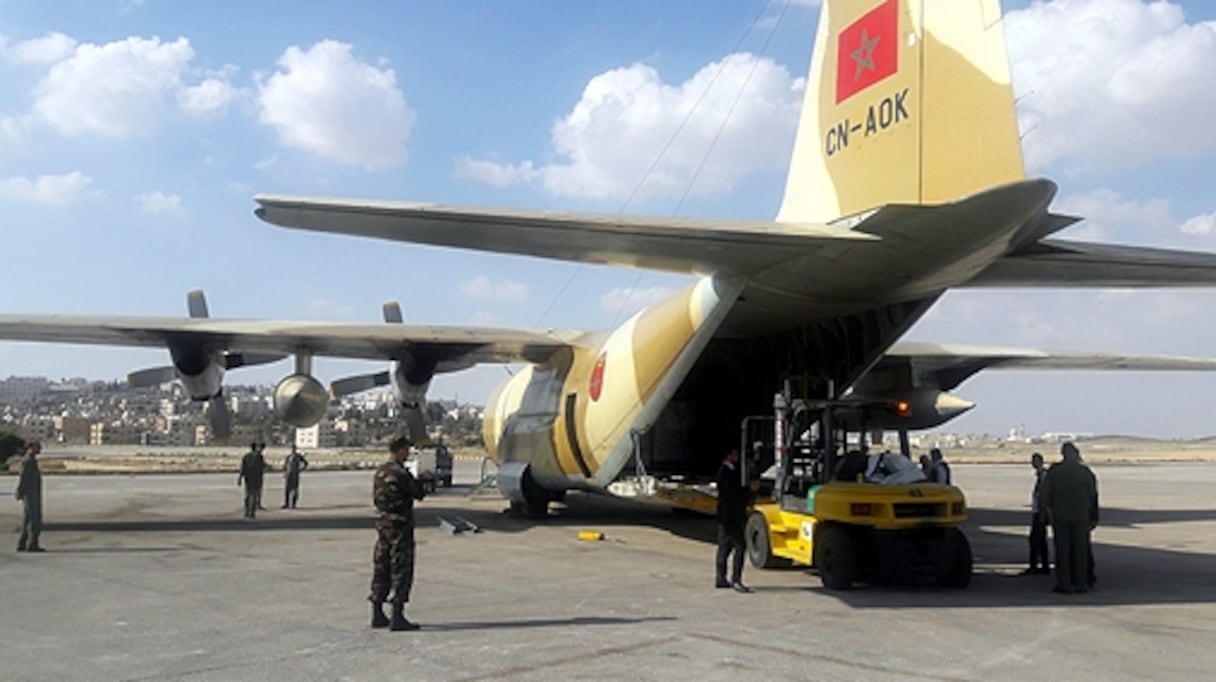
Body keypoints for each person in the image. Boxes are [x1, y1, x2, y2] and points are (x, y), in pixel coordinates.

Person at [369, 436, 427, 631]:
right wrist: (422, 481)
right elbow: (418, 493)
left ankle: (377, 612)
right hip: (400, 527)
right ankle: (397, 615)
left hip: (383, 525)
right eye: (407, 449)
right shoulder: (401, 474)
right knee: (401, 568)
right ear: (400, 450)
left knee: (381, 566)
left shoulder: (381, 472)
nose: (408, 453)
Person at [1041, 441, 1099, 594]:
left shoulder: (1055, 471)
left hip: (1061, 516)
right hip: (1081, 515)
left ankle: (1065, 584)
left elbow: (1045, 494)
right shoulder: (1085, 472)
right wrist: (1094, 517)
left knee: (1062, 551)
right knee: (1081, 551)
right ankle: (1081, 583)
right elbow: (1093, 496)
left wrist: (1043, 514)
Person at [714, 447, 752, 593]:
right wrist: (748, 491)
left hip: (726, 516)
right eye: (735, 454)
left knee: (724, 547)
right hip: (731, 516)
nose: (737, 457)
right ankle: (736, 579)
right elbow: (732, 493)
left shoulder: (728, 470)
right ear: (728, 455)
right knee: (740, 547)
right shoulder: (727, 472)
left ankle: (720, 578)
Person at [1021, 452, 1051, 575]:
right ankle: (1043, 565)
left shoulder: (1043, 475)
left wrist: (1043, 512)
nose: (1033, 464)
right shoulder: (1041, 475)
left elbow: (1043, 495)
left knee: (1035, 539)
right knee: (1041, 540)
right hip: (1039, 511)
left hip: (1040, 512)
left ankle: (1035, 566)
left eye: (1035, 461)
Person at [14, 441, 45, 552]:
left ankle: (22, 543)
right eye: (38, 447)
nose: (40, 449)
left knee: (27, 519)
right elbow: (24, 477)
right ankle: (32, 544)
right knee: (34, 520)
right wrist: (20, 491)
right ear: (31, 447)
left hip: (31, 493)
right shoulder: (28, 461)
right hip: (31, 495)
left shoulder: (31, 460)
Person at [237, 442, 267, 519]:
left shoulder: (246, 456)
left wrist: (240, 478)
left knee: (248, 495)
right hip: (257, 479)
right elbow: (263, 466)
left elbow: (242, 468)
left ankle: (247, 511)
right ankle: (252, 512)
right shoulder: (259, 457)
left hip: (248, 478)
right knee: (254, 496)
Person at [282, 445, 309, 509]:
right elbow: (285, 465)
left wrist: (301, 469)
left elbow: (306, 463)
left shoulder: (298, 456)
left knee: (294, 489)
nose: (293, 450)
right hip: (289, 474)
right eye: (292, 449)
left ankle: (293, 504)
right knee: (287, 490)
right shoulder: (288, 457)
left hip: (295, 475)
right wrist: (285, 473)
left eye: (294, 449)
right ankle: (287, 503)